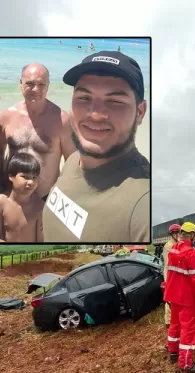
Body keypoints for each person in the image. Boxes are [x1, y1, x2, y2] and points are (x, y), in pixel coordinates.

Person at [42, 51, 150, 242]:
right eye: (84, 97)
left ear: (140, 112)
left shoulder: (143, 203)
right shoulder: (74, 160)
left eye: (115, 101)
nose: (96, 114)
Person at [0, 63, 75, 200]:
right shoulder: (7, 116)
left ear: (48, 85)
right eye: (30, 83)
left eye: (41, 84)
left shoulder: (61, 120)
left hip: (45, 198)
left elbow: (72, 163)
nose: (35, 89)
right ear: (20, 83)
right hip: (12, 197)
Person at [164, 222, 195, 373]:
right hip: (187, 298)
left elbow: (170, 273)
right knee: (188, 329)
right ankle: (186, 364)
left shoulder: (173, 249)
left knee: (174, 325)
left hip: (173, 295)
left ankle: (173, 352)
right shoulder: (191, 253)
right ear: (193, 235)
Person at [0, 152, 44, 242]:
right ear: (11, 176)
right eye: (25, 177)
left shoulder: (39, 206)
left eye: (34, 177)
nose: (31, 182)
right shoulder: (2, 202)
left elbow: (40, 241)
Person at [162, 224, 181, 328]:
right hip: (170, 275)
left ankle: (175, 320)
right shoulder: (169, 246)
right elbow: (169, 264)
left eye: (179, 232)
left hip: (176, 275)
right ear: (172, 234)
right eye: (176, 233)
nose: (178, 234)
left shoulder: (177, 244)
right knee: (170, 299)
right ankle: (168, 321)